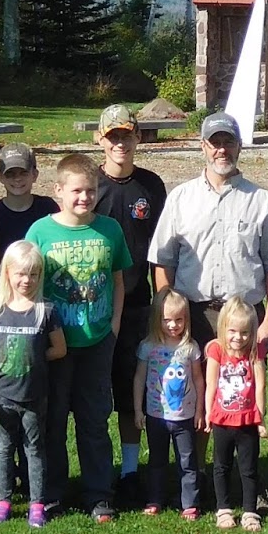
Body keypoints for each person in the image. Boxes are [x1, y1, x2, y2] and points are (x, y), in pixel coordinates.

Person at [26, 151, 131, 521]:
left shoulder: (109, 230)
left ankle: (99, 494)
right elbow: (28, 286)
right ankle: (52, 493)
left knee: (94, 421)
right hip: (55, 347)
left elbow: (118, 282)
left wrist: (114, 326)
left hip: (97, 342)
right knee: (53, 421)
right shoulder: (41, 232)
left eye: (90, 191)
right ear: (58, 191)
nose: (83, 198)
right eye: (76, 192)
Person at [148, 111, 268, 356]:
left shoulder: (261, 201)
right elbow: (163, 261)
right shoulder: (181, 198)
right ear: (203, 146)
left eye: (229, 142)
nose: (222, 150)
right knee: (191, 392)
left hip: (244, 319)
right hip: (193, 317)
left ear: (240, 146)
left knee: (243, 393)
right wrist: (168, 314)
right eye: (215, 143)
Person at [94, 103, 166, 506]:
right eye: (112, 136)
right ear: (100, 140)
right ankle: (98, 467)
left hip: (139, 307)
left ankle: (131, 471)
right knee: (95, 395)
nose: (120, 143)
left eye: (126, 135)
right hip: (93, 310)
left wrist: (162, 299)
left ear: (138, 138)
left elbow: (160, 250)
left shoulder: (152, 186)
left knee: (132, 395)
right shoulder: (90, 187)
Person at [0, 239, 66, 528]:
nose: (26, 280)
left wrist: (35, 356)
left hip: (35, 395)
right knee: (3, 449)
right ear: (7, 273)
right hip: (2, 394)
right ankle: (3, 501)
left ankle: (36, 504)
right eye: (20, 273)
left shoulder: (46, 310)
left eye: (33, 274)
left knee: (34, 448)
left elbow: (60, 349)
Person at [133, 287, 204, 519]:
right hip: (156, 415)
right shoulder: (148, 347)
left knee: (188, 461)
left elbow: (198, 380)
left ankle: (190, 503)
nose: (173, 325)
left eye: (178, 320)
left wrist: (200, 411)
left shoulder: (190, 349)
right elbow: (139, 378)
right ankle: (155, 499)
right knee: (156, 461)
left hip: (184, 416)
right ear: (157, 320)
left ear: (186, 320)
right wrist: (137, 409)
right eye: (167, 320)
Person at [206, 296, 268, 532]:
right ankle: (223, 509)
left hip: (247, 420)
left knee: (248, 468)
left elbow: (260, 385)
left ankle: (250, 512)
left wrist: (260, 419)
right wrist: (208, 413)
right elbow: (211, 384)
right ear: (223, 329)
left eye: (244, 333)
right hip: (222, 419)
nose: (238, 338)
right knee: (221, 466)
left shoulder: (254, 352)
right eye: (232, 331)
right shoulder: (216, 350)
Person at [0, 142, 57, 254]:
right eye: (10, 174)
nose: (17, 179)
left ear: (35, 175)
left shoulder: (47, 208)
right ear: (0, 177)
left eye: (23, 173)